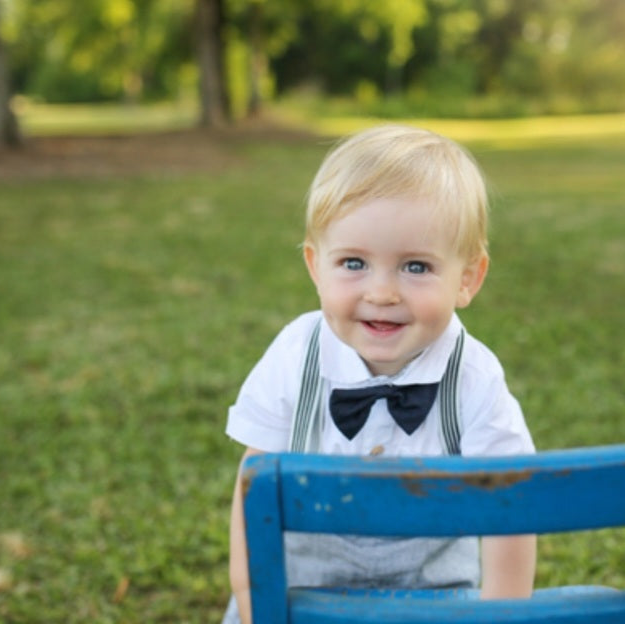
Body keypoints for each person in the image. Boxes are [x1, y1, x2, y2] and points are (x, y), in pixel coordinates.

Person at [222, 124, 536, 624]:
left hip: (435, 598)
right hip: (303, 593)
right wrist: (256, 602)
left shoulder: (474, 378)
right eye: (353, 263)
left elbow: (512, 506)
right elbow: (252, 490)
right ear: (315, 267)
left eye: (415, 267)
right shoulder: (293, 357)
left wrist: (499, 617)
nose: (383, 292)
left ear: (468, 278)